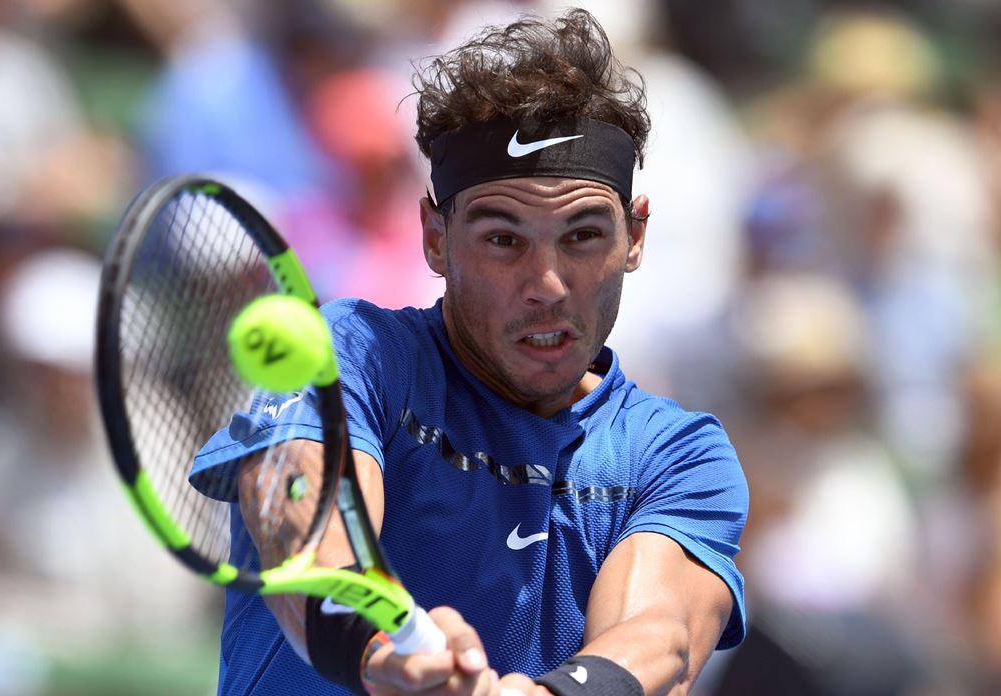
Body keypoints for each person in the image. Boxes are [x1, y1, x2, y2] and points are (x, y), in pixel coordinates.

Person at [190, 9, 747, 695]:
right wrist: (381, 651)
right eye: (503, 239)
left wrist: (550, 694)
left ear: (634, 237)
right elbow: (304, 531)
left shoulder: (679, 456)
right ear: (434, 237)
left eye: (582, 237)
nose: (547, 286)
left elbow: (663, 636)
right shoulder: (353, 355)